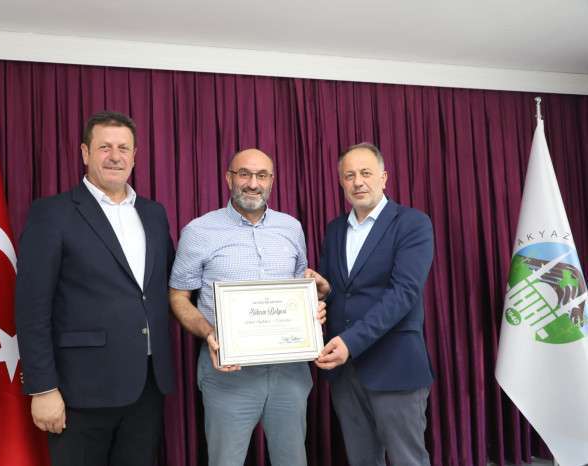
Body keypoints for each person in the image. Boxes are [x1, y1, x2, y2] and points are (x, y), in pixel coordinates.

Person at [15, 111, 175, 466]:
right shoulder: (52, 214)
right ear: (85, 153)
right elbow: (31, 308)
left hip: (147, 385)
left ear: (135, 156)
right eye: (105, 147)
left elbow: (167, 286)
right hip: (80, 389)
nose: (115, 156)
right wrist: (43, 388)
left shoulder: (154, 213)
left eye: (123, 148)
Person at [168, 148, 325, 466]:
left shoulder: (291, 228)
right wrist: (209, 333)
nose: (253, 183)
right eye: (244, 174)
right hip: (228, 373)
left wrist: (314, 306)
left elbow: (301, 289)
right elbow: (178, 297)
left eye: (262, 175)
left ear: (272, 181)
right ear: (229, 178)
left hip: (289, 373)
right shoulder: (198, 231)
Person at [311, 142, 434, 466]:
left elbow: (403, 293)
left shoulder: (413, 223)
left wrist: (350, 343)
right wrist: (324, 292)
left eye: (366, 173)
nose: (358, 182)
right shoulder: (335, 230)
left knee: (408, 460)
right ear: (341, 182)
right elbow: (341, 293)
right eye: (349, 175)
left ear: (384, 177)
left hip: (394, 366)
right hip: (345, 372)